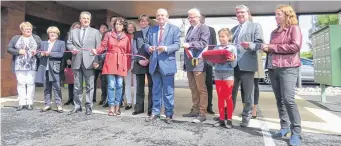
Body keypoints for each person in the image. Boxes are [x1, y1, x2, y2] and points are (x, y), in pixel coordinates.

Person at [261, 5, 303, 146]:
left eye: (278, 14)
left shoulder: (294, 29)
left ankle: (296, 132)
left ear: (287, 15)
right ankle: (284, 127)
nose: (276, 17)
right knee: (279, 100)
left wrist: (271, 47)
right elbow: (273, 49)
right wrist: (265, 48)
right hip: (273, 68)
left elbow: (295, 47)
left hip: (288, 67)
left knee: (288, 99)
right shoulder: (274, 32)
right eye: (275, 14)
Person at [144, 8, 181, 124]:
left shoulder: (174, 29)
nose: (160, 17)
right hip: (155, 64)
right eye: (158, 15)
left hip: (168, 64)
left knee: (168, 91)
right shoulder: (152, 29)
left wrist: (165, 48)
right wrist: (148, 48)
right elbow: (146, 43)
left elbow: (177, 45)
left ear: (167, 16)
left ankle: (169, 114)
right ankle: (155, 112)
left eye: (162, 15)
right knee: (156, 90)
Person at [231, 5, 264, 127]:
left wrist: (249, 45)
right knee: (231, 92)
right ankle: (228, 115)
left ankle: (246, 117)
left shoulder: (255, 26)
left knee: (248, 93)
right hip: (233, 65)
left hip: (248, 65)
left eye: (242, 12)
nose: (240, 14)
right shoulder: (233, 29)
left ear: (248, 13)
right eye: (238, 12)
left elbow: (260, 44)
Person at [92, 17, 131, 116]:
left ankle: (118, 105)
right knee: (111, 85)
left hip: (121, 62)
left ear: (123, 26)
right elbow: (103, 46)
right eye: (116, 24)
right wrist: (97, 51)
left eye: (120, 24)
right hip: (110, 61)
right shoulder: (108, 35)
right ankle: (111, 106)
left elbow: (128, 53)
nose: (118, 26)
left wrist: (128, 65)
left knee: (120, 85)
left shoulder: (126, 37)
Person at [67, 11, 101, 115]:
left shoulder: (95, 32)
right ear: (80, 19)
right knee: (77, 86)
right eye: (84, 18)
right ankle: (77, 106)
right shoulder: (73, 32)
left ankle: (88, 107)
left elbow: (98, 48)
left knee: (90, 86)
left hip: (90, 62)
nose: (85, 20)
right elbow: (69, 43)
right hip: (77, 61)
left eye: (87, 18)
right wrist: (72, 48)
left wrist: (96, 61)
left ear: (90, 20)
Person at [182, 8, 210, 123]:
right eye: (189, 17)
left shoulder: (204, 28)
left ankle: (202, 113)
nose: (191, 19)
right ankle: (195, 109)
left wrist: (189, 44)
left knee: (201, 88)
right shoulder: (189, 28)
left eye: (193, 17)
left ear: (199, 17)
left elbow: (203, 43)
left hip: (199, 63)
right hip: (189, 63)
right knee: (193, 88)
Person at [7, 21, 42, 111]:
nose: (28, 30)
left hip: (32, 64)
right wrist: (18, 51)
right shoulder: (16, 38)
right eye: (26, 29)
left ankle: (29, 103)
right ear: (22, 30)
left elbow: (42, 49)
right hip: (19, 65)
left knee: (30, 83)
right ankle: (22, 103)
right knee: (21, 83)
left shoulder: (36, 38)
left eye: (30, 28)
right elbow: (9, 48)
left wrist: (37, 52)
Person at [206, 28, 237, 129]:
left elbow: (234, 64)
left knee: (228, 97)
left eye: (223, 36)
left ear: (229, 37)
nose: (221, 39)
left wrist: (232, 60)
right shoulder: (216, 48)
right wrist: (207, 59)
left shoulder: (232, 48)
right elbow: (212, 63)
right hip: (218, 74)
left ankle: (229, 119)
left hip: (228, 74)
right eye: (220, 36)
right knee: (220, 97)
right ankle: (222, 118)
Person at [35, 26, 65, 113]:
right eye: (50, 32)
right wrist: (42, 54)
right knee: (46, 87)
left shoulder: (61, 43)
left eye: (54, 33)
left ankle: (59, 105)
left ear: (57, 34)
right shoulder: (43, 43)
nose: (52, 34)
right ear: (48, 34)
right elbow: (38, 54)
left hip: (55, 67)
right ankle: (47, 104)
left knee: (56, 87)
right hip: (44, 67)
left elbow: (61, 54)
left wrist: (49, 53)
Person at [131, 14, 153, 116]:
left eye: (145, 21)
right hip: (139, 63)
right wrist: (139, 60)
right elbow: (134, 48)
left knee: (151, 87)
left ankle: (151, 109)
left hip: (151, 62)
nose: (143, 23)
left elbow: (154, 46)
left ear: (148, 22)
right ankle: (139, 108)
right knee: (139, 87)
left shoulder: (153, 32)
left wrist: (148, 59)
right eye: (141, 21)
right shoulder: (136, 34)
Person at [200, 15, 217, 114]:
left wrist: (213, 60)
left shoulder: (211, 30)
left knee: (208, 84)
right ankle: (199, 106)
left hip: (208, 61)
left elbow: (214, 45)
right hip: (196, 61)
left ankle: (209, 106)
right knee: (198, 85)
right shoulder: (192, 29)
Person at [63, 22, 80, 105]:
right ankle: (70, 98)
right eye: (75, 27)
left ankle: (75, 99)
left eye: (78, 27)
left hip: (78, 59)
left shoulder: (81, 37)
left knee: (77, 81)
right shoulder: (68, 36)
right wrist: (67, 59)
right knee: (70, 81)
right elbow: (66, 48)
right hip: (70, 60)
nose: (77, 28)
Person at [93, 22, 108, 104]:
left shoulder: (107, 37)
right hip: (95, 60)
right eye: (102, 27)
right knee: (93, 80)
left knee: (104, 81)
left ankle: (103, 98)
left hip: (104, 62)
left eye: (105, 27)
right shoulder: (95, 37)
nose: (103, 29)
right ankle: (93, 98)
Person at [124, 21, 137, 110]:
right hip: (127, 62)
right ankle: (129, 102)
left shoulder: (138, 37)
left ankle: (136, 102)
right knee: (127, 83)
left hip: (136, 62)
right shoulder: (124, 37)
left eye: (132, 27)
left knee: (136, 83)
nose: (130, 28)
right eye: (129, 27)